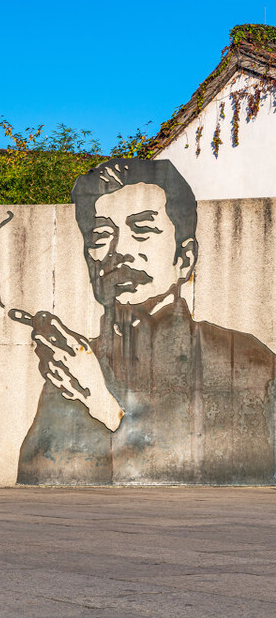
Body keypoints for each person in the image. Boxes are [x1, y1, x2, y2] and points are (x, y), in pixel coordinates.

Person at [18, 158, 276, 485]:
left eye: (142, 230)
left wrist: (104, 406)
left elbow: (236, 469)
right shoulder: (75, 368)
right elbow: (40, 481)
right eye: (100, 236)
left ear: (185, 258)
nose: (119, 251)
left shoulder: (244, 362)